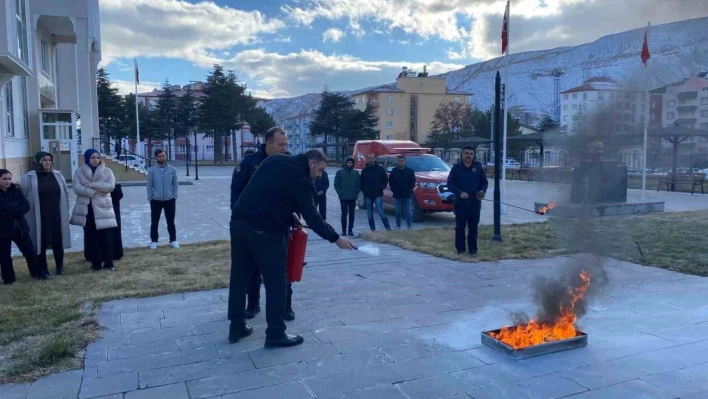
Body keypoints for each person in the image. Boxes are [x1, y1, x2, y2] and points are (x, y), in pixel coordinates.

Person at [228, 149, 355, 348]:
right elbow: (313, 218)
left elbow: (270, 194)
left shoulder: (275, 160)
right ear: (312, 164)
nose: (319, 175)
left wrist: (288, 216)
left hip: (239, 222)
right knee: (277, 281)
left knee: (239, 278)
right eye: (320, 170)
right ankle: (276, 334)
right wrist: (336, 238)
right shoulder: (303, 180)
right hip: (266, 232)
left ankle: (236, 327)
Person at [231, 127, 291, 320]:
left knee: (282, 268)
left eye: (286, 144)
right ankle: (253, 303)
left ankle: (286, 306)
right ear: (268, 143)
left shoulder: (289, 162)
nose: (284, 148)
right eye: (280, 144)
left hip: (279, 226)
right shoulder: (250, 164)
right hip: (253, 227)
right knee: (253, 269)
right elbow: (237, 194)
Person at [21, 152, 70, 277]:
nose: (48, 162)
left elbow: (65, 193)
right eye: (45, 160)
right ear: (38, 161)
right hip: (38, 215)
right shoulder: (29, 177)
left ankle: (59, 267)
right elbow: (24, 196)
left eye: (49, 160)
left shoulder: (58, 176)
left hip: (56, 214)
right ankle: (43, 268)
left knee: (57, 241)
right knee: (40, 241)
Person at [71, 149, 118, 271]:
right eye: (92, 157)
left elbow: (110, 186)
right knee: (91, 238)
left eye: (97, 157)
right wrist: (93, 193)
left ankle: (109, 263)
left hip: (103, 209)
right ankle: (96, 263)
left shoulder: (107, 171)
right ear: (87, 158)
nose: (95, 160)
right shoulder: (79, 172)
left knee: (106, 238)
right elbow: (77, 188)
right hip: (87, 210)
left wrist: (92, 185)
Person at [0, 169, 43, 284]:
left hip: (19, 227)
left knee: (30, 251)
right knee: (4, 256)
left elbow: (26, 206)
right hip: (3, 229)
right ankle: (8, 279)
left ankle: (37, 274)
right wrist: (13, 207)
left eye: (9, 179)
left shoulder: (16, 191)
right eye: (4, 179)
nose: (7, 181)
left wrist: (9, 209)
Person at [447, 146, 488, 255]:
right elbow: (450, 184)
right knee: (460, 226)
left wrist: (482, 191)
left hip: (475, 201)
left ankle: (473, 250)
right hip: (461, 202)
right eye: (466, 153)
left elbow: (484, 182)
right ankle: (460, 250)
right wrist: (460, 192)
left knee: (473, 226)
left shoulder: (478, 167)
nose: (468, 155)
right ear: (462, 154)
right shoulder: (456, 167)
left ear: (474, 155)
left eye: (471, 153)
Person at [147, 149, 179, 249]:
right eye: (159, 156)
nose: (162, 158)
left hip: (170, 200)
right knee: (154, 221)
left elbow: (175, 184)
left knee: (171, 221)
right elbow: (149, 185)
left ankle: (173, 240)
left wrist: (174, 196)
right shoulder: (152, 170)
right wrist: (151, 198)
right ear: (156, 158)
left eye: (163, 156)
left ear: (166, 156)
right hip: (156, 200)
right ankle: (154, 241)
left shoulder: (172, 170)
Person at [360, 153, 391, 232]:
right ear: (367, 159)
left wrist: (381, 187)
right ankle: (373, 230)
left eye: (372, 158)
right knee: (369, 214)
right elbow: (361, 181)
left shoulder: (380, 169)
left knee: (380, 211)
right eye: (369, 158)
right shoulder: (365, 170)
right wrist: (364, 190)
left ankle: (388, 228)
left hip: (378, 194)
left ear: (374, 159)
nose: (370, 160)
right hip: (368, 195)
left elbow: (385, 179)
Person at [388, 155, 416, 230]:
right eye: (399, 160)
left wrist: (409, 190)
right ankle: (398, 225)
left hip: (407, 195)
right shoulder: (394, 171)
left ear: (405, 161)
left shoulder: (410, 171)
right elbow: (391, 181)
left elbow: (413, 181)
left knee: (408, 211)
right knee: (397, 211)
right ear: (397, 161)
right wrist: (393, 189)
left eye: (402, 160)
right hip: (397, 195)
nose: (401, 162)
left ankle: (409, 226)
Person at [334, 156, 360, 236]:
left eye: (351, 162)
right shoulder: (340, 172)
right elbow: (336, 184)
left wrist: (356, 193)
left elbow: (358, 184)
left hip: (352, 197)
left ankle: (350, 229)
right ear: (345, 163)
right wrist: (340, 193)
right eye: (348, 162)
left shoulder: (355, 173)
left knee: (352, 214)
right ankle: (344, 230)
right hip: (343, 197)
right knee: (344, 214)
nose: (349, 164)